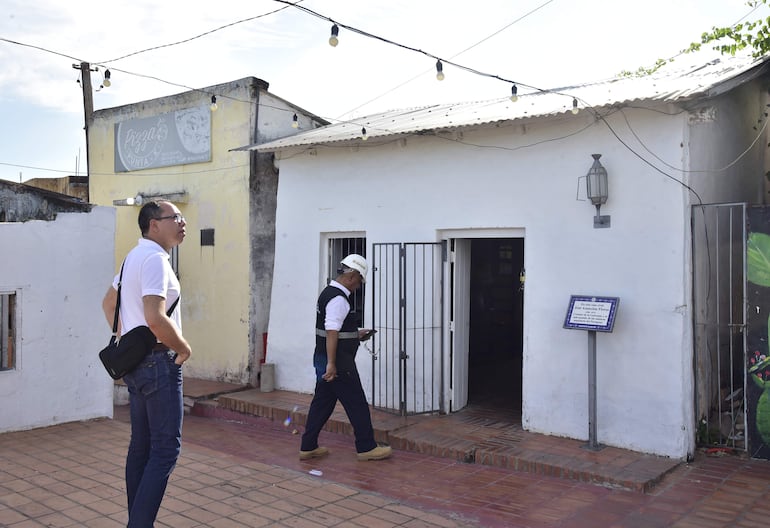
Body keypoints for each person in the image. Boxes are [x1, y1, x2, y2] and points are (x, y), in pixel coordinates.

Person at [102, 200, 192, 527]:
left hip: (138, 365)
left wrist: (128, 339)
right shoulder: (154, 258)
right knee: (166, 450)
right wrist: (183, 349)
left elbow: (109, 303)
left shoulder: (132, 258)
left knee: (141, 447)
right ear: (154, 224)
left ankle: (138, 520)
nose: (183, 222)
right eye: (175, 217)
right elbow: (155, 317)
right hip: (158, 362)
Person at [300, 254, 392, 462]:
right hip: (339, 363)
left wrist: (355, 333)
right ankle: (366, 447)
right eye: (359, 281)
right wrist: (333, 365)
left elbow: (335, 330)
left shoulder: (327, 293)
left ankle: (308, 446)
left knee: (321, 404)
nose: (358, 286)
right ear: (352, 276)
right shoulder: (339, 299)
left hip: (323, 358)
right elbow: (332, 331)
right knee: (357, 404)